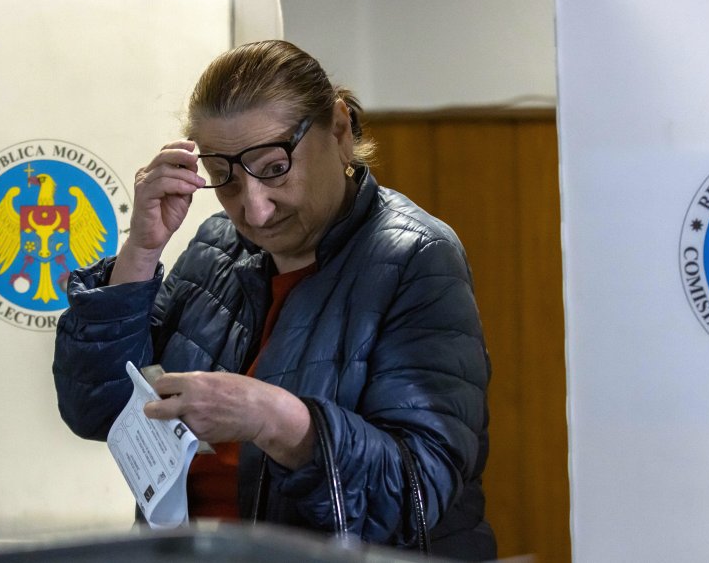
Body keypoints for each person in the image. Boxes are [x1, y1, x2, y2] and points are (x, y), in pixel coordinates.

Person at [53, 40, 495, 559]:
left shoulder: (416, 257)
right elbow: (95, 409)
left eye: (274, 166)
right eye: (224, 179)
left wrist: (275, 419)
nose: (255, 211)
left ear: (339, 131)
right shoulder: (216, 247)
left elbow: (416, 495)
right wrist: (142, 249)